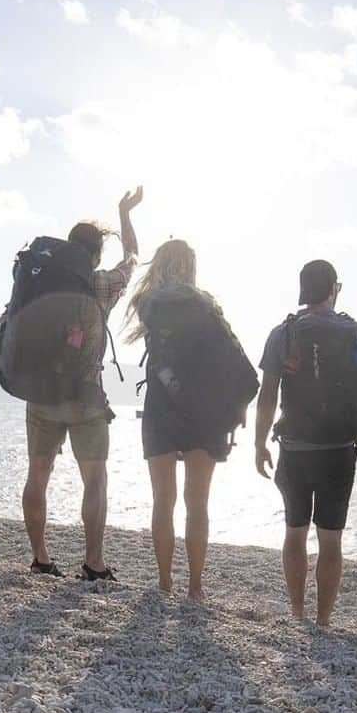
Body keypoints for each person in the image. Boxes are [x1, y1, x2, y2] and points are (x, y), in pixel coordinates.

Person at [255, 260, 357, 625]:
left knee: (294, 532)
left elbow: (267, 395)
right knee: (331, 540)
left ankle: (298, 613)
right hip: (339, 450)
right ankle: (324, 620)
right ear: (333, 289)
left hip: (295, 447)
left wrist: (258, 443)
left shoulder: (282, 334)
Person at [21, 187, 143, 582]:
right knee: (95, 480)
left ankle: (40, 558)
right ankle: (93, 562)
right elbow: (134, 258)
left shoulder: (40, 280)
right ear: (94, 255)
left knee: (37, 476)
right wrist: (125, 214)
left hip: (40, 394)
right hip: (85, 397)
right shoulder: (102, 285)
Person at [125, 240, 257, 600]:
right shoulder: (207, 306)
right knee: (197, 503)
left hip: (161, 408)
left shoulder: (146, 304)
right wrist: (236, 405)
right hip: (204, 414)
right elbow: (234, 360)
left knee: (162, 501)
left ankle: (165, 581)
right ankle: (195, 586)